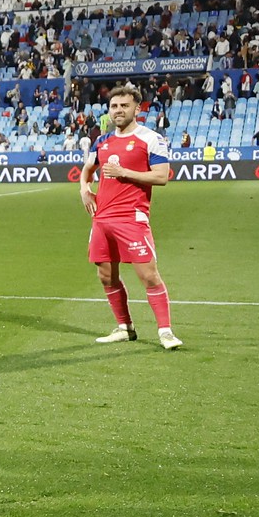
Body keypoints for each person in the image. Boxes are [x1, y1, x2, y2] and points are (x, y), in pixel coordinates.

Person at [80, 84, 181, 350]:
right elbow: (88, 168)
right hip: (102, 218)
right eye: (114, 106)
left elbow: (161, 176)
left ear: (137, 108)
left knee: (148, 275)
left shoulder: (151, 138)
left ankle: (166, 332)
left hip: (132, 217)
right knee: (106, 275)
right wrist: (84, 188)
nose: (119, 110)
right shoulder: (102, 140)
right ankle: (125, 327)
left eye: (124, 105)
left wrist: (124, 172)